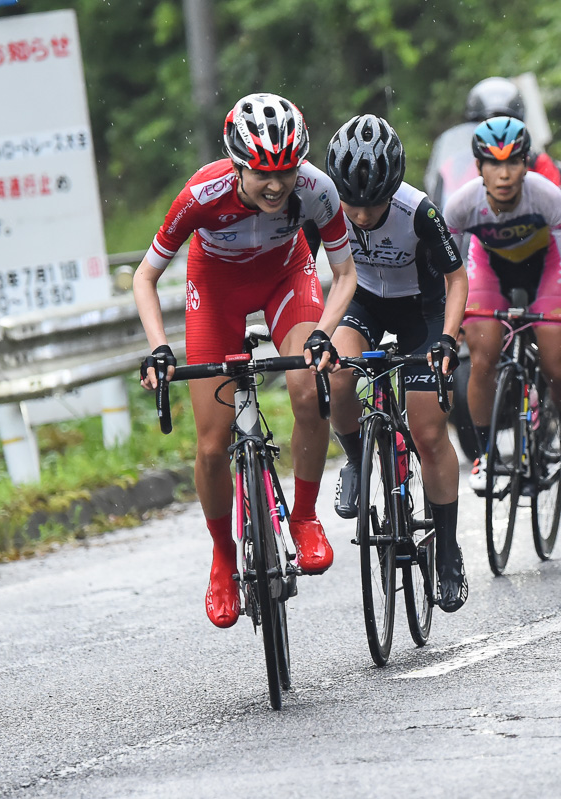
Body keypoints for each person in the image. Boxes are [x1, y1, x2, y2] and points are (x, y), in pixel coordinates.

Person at [134, 93, 358, 629]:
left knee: (309, 389)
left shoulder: (317, 190)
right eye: (262, 174)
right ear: (238, 163)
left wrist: (323, 336)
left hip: (286, 278)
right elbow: (145, 276)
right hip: (215, 292)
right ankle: (222, 555)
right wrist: (159, 347)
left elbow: (345, 275)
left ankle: (303, 518)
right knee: (212, 446)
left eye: (286, 170)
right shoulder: (201, 193)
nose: (277, 185)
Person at [321, 114, 471, 612]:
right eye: (352, 205)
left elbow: (456, 279)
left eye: (373, 205)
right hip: (362, 301)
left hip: (420, 311)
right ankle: (356, 458)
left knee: (428, 430)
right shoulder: (323, 207)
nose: (361, 216)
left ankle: (447, 550)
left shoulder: (419, 211)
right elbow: (301, 269)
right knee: (336, 375)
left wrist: (448, 340)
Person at [444, 116, 561, 495]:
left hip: (545, 270)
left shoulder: (547, 196)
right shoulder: (461, 205)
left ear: (526, 164)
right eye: (494, 162)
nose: (504, 174)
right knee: (483, 355)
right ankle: (487, 453)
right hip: (489, 268)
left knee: (557, 362)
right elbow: (448, 272)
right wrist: (451, 321)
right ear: (479, 167)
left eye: (513, 162)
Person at [425, 77, 561, 208]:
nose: (497, 131)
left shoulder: (537, 163)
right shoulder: (456, 165)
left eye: (505, 122)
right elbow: (442, 203)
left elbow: (555, 206)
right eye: (487, 124)